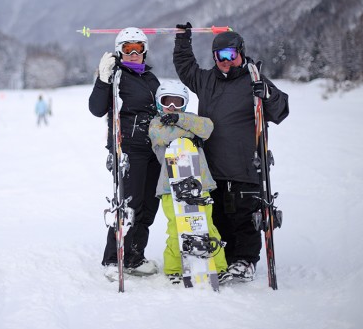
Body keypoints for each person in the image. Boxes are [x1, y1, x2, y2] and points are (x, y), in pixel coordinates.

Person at [173, 22, 289, 283]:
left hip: (245, 165)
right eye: (219, 56)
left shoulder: (255, 79)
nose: (225, 61)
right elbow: (185, 67)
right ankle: (223, 259)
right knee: (217, 217)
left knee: (244, 218)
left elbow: (280, 110)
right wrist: (182, 41)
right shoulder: (206, 80)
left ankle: (245, 261)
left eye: (229, 55)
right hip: (212, 166)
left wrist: (267, 95)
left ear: (240, 52)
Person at [88, 27, 162, 279]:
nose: (132, 53)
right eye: (127, 48)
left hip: (154, 149)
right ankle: (113, 258)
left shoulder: (151, 79)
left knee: (149, 205)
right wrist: (102, 79)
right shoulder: (116, 76)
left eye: (138, 48)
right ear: (119, 51)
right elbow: (97, 109)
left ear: (145, 51)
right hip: (129, 148)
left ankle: (134, 256)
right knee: (129, 205)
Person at [148, 80, 228, 284]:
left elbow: (208, 127)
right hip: (169, 187)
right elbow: (164, 135)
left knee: (207, 226)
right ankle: (174, 268)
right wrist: (190, 131)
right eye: (168, 102)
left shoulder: (190, 119)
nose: (172, 107)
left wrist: (179, 119)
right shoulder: (155, 123)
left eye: (177, 102)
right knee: (176, 228)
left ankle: (219, 267)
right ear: (159, 103)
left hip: (200, 184)